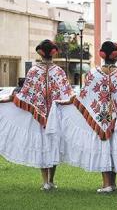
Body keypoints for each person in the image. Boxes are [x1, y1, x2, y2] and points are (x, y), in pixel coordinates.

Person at [49, 41, 117, 193]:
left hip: (99, 119)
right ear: (116, 56)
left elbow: (83, 96)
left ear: (102, 55)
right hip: (116, 119)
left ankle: (107, 184)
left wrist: (66, 102)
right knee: (114, 149)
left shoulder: (94, 74)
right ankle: (113, 184)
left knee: (104, 149)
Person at [0, 39, 73, 190]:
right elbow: (68, 93)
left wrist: (10, 99)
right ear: (54, 53)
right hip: (55, 116)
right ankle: (51, 180)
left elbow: (25, 94)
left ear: (40, 53)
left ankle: (45, 181)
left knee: (42, 146)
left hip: (38, 116)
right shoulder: (59, 72)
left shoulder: (33, 71)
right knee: (53, 145)